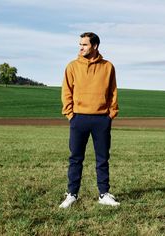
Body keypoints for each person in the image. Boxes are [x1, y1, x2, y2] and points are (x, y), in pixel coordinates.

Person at [60, 32, 120, 208]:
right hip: (78, 118)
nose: (81, 48)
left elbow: (113, 92)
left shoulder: (108, 67)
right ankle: (72, 194)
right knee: (75, 158)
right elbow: (66, 91)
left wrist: (110, 114)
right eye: (80, 44)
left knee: (102, 159)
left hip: (101, 119)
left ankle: (103, 194)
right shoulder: (72, 66)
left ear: (95, 46)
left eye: (84, 45)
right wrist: (70, 114)